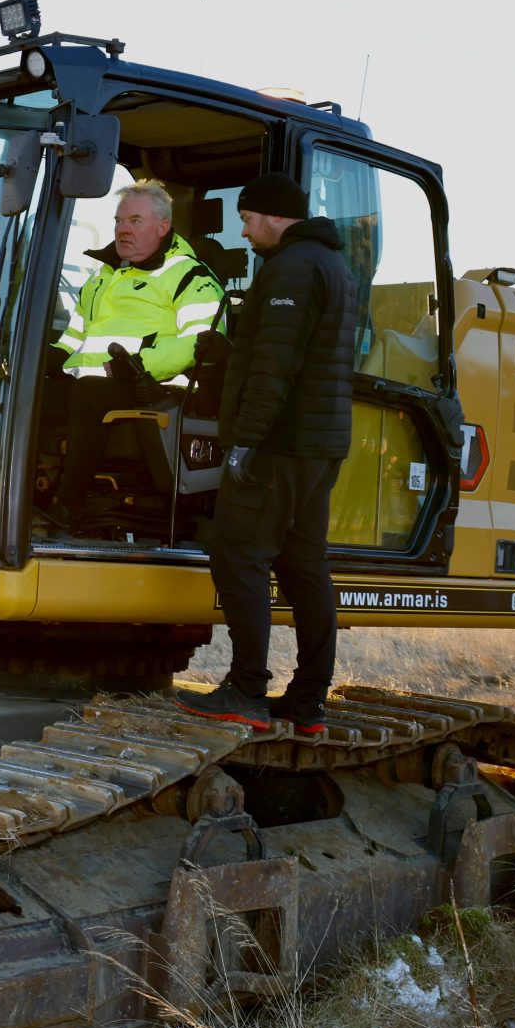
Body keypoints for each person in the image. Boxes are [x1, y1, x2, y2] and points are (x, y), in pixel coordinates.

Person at [183, 172, 357, 733]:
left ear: (272, 216)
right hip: (318, 444)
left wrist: (246, 442)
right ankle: (308, 703)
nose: (243, 228)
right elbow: (297, 353)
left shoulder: (292, 267)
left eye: (247, 217)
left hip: (280, 444)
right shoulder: (332, 266)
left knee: (238, 553)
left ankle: (246, 688)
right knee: (305, 566)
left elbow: (274, 368)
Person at [40, 181, 228, 516]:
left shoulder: (190, 276)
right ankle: (18, 499)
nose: (123, 230)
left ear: (163, 226)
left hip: (156, 389)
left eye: (135, 221)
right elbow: (74, 336)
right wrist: (47, 360)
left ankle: (68, 504)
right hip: (99, 385)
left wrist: (142, 365)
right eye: (119, 221)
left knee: (88, 393)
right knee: (26, 393)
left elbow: (200, 344)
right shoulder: (103, 277)